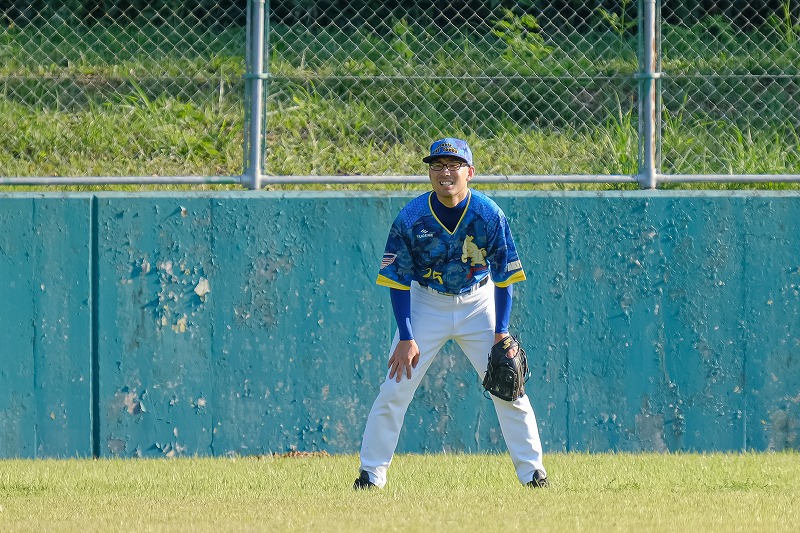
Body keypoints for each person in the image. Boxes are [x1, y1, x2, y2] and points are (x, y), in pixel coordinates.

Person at [353, 137, 548, 489]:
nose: (445, 172)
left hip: (479, 302)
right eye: (437, 165)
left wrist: (501, 332)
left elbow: (505, 277)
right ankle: (371, 475)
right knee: (395, 388)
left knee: (509, 385)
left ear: (469, 172)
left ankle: (533, 474)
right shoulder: (411, 217)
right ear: (430, 173)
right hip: (426, 303)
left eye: (454, 165)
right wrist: (407, 336)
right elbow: (398, 280)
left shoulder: (488, 214)